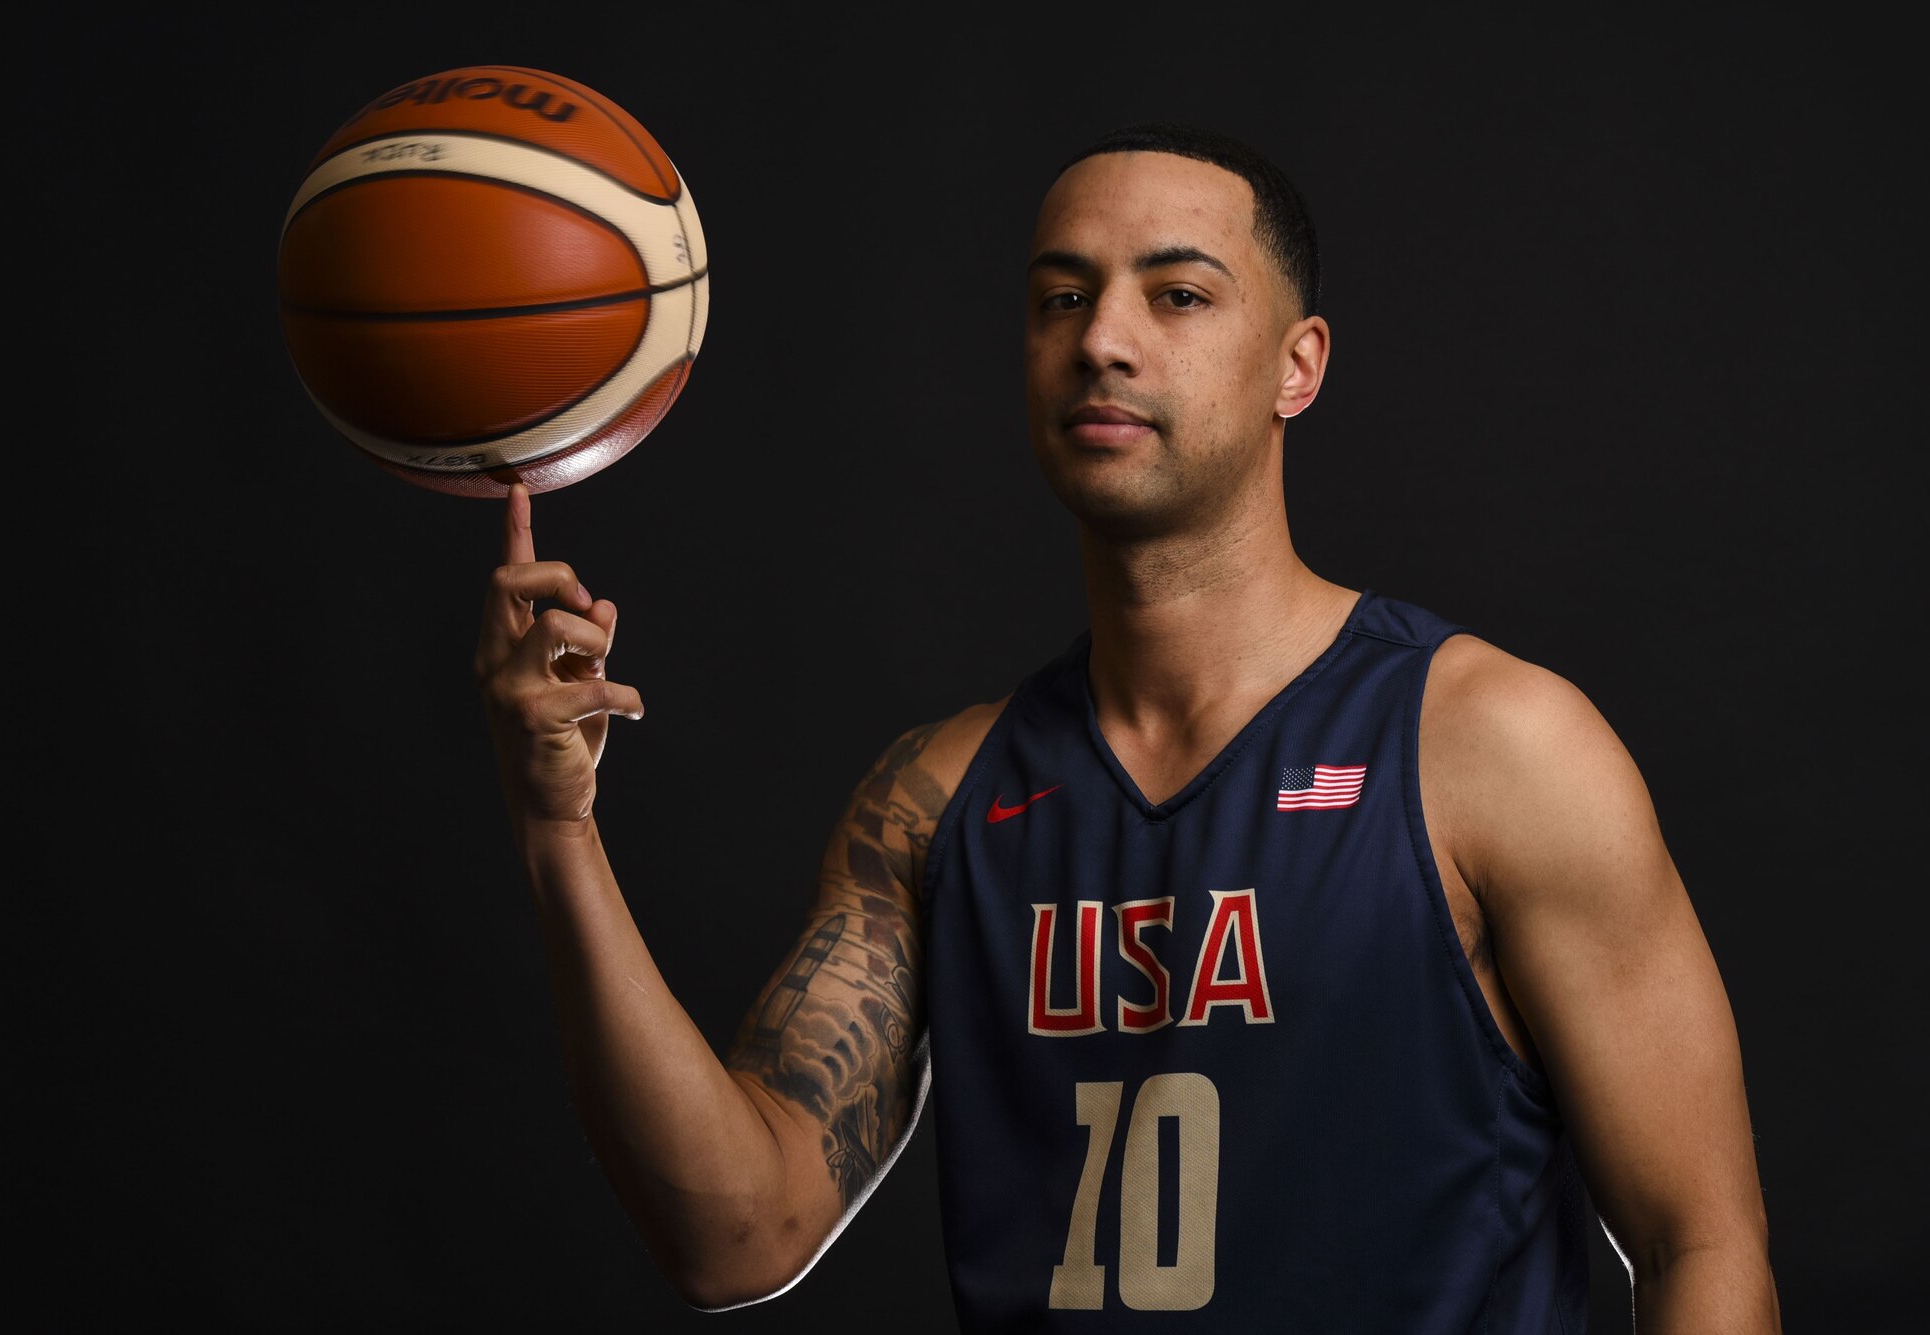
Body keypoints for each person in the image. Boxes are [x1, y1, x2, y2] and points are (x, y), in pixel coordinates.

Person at [473, 121, 1781, 1332]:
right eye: (1061, 298)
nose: (1103, 339)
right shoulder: (942, 798)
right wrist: (558, 827)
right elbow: (738, 1234)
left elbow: (1699, 1244)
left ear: (1298, 365)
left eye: (1179, 294)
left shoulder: (1492, 746)